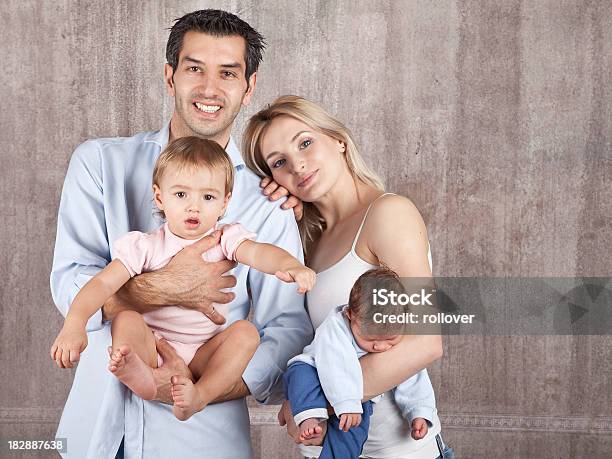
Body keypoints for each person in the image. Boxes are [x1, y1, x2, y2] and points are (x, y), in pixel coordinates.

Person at [50, 10, 312, 458]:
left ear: (248, 86)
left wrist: (195, 388)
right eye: (194, 69)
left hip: (202, 437)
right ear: (170, 76)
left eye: (227, 73)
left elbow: (286, 326)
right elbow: (70, 283)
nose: (209, 89)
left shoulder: (266, 198)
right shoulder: (99, 164)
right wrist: (165, 286)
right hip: (97, 429)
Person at [243, 95, 454, 458]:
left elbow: (425, 341)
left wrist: (316, 402)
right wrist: (276, 218)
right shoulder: (308, 242)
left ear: (338, 140)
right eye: (279, 162)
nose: (298, 165)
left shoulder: (388, 213)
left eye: (305, 142)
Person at [51, 137, 315, 422]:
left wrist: (290, 265)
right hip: (153, 345)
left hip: (204, 351)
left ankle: (201, 394)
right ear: (159, 196)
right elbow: (102, 284)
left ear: (225, 203)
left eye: (208, 197)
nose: (194, 207)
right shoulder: (146, 246)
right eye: (181, 195)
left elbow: (259, 252)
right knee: (126, 319)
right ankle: (145, 375)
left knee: (246, 333)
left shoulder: (224, 238)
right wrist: (74, 323)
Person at [284, 267, 436, 459]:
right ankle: (308, 419)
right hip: (315, 371)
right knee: (300, 377)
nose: (380, 347)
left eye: (390, 339)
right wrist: (347, 403)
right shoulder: (335, 327)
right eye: (370, 339)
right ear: (350, 315)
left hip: (354, 393)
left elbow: (412, 373)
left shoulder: (401, 333)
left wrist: (418, 412)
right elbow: (335, 365)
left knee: (354, 426)